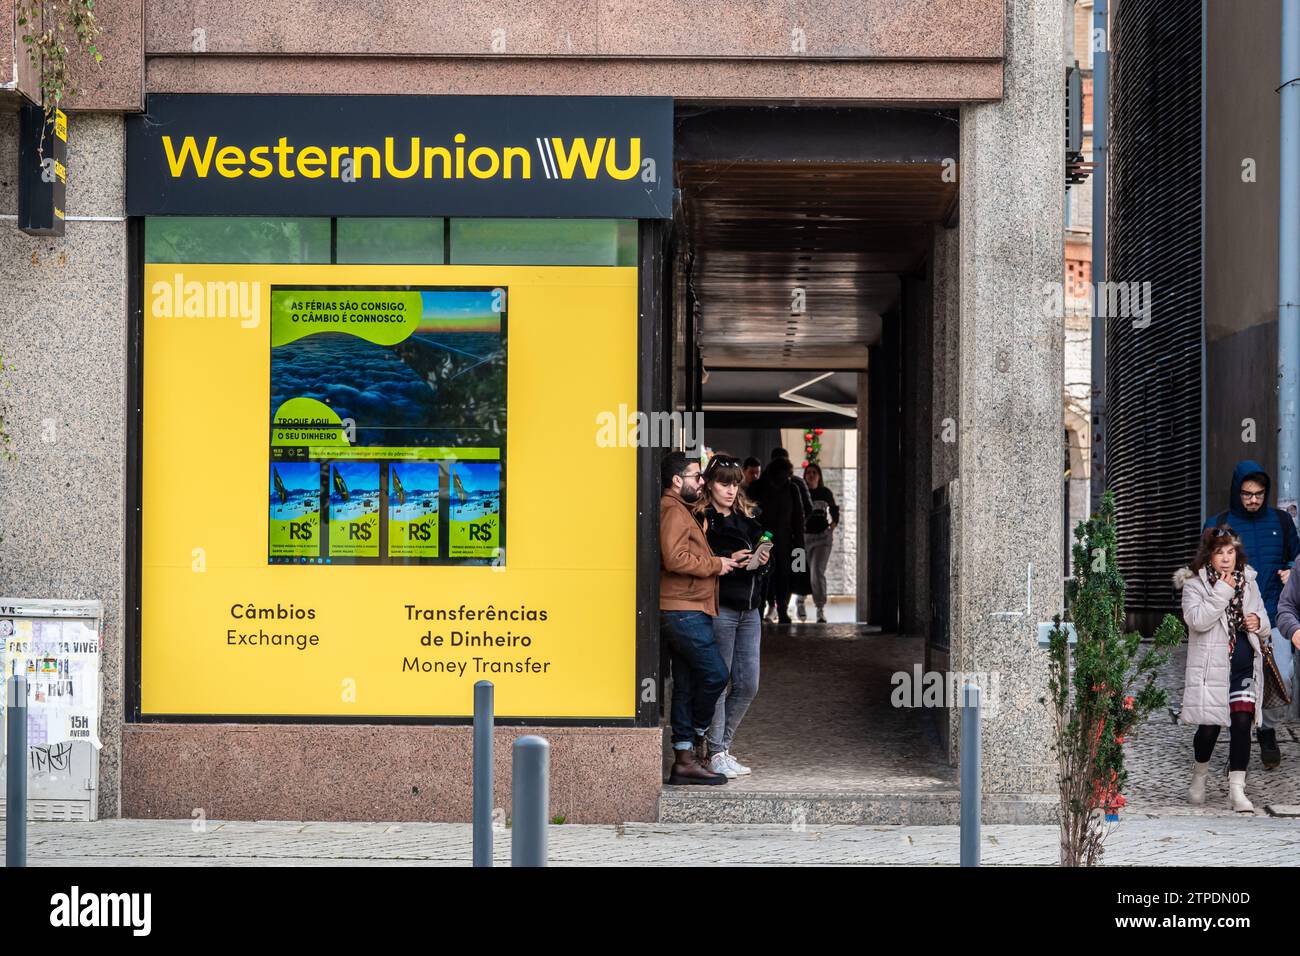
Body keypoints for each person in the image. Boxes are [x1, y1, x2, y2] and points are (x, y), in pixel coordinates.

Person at [1203, 460, 1299, 768]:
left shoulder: (1282, 522)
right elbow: (1202, 570)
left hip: (1273, 614)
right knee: (1237, 682)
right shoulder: (1218, 523)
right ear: (1236, 492)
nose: (1253, 499)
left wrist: (1290, 573)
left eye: (1258, 493)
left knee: (1282, 677)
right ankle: (1240, 738)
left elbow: (1296, 559)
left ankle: (1267, 730)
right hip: (1233, 622)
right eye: (1247, 493)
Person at [660, 451, 742, 784]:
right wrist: (715, 565)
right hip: (683, 610)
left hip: (688, 606)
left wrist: (722, 558)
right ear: (677, 481)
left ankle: (683, 761)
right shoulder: (672, 510)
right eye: (696, 476)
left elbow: (686, 553)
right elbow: (674, 558)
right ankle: (693, 741)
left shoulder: (682, 510)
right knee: (715, 675)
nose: (702, 482)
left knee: (687, 684)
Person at [1174, 527, 1269, 812]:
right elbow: (1197, 620)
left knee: (1242, 723)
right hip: (1211, 670)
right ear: (1209, 555)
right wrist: (1222, 591)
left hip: (1243, 667)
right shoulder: (1195, 584)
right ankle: (1199, 777)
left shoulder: (1249, 580)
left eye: (1231, 552)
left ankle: (1237, 790)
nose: (1226, 559)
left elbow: (1263, 618)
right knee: (1209, 728)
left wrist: (1257, 621)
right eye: (1219, 553)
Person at [694, 455, 771, 778]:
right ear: (710, 484)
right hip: (721, 606)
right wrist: (726, 559)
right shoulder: (702, 518)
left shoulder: (747, 517)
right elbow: (694, 560)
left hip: (751, 609)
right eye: (724, 482)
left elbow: (765, 560)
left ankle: (721, 747)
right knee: (720, 682)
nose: (730, 489)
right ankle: (715, 752)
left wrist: (761, 559)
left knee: (748, 683)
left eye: (735, 483)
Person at [755, 456, 805, 624]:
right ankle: (780, 611)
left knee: (767, 575)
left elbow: (798, 517)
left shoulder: (761, 487)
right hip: (782, 537)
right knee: (781, 576)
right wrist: (799, 543)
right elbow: (798, 518)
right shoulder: (791, 489)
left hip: (766, 536)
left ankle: (765, 611)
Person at [793, 463, 840, 623]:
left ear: (819, 476)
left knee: (816, 572)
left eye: (814, 472)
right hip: (802, 539)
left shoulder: (825, 493)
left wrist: (831, 528)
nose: (811, 475)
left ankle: (820, 609)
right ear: (805, 476)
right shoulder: (799, 492)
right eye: (808, 472)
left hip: (822, 538)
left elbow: (835, 512)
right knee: (799, 571)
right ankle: (799, 602)